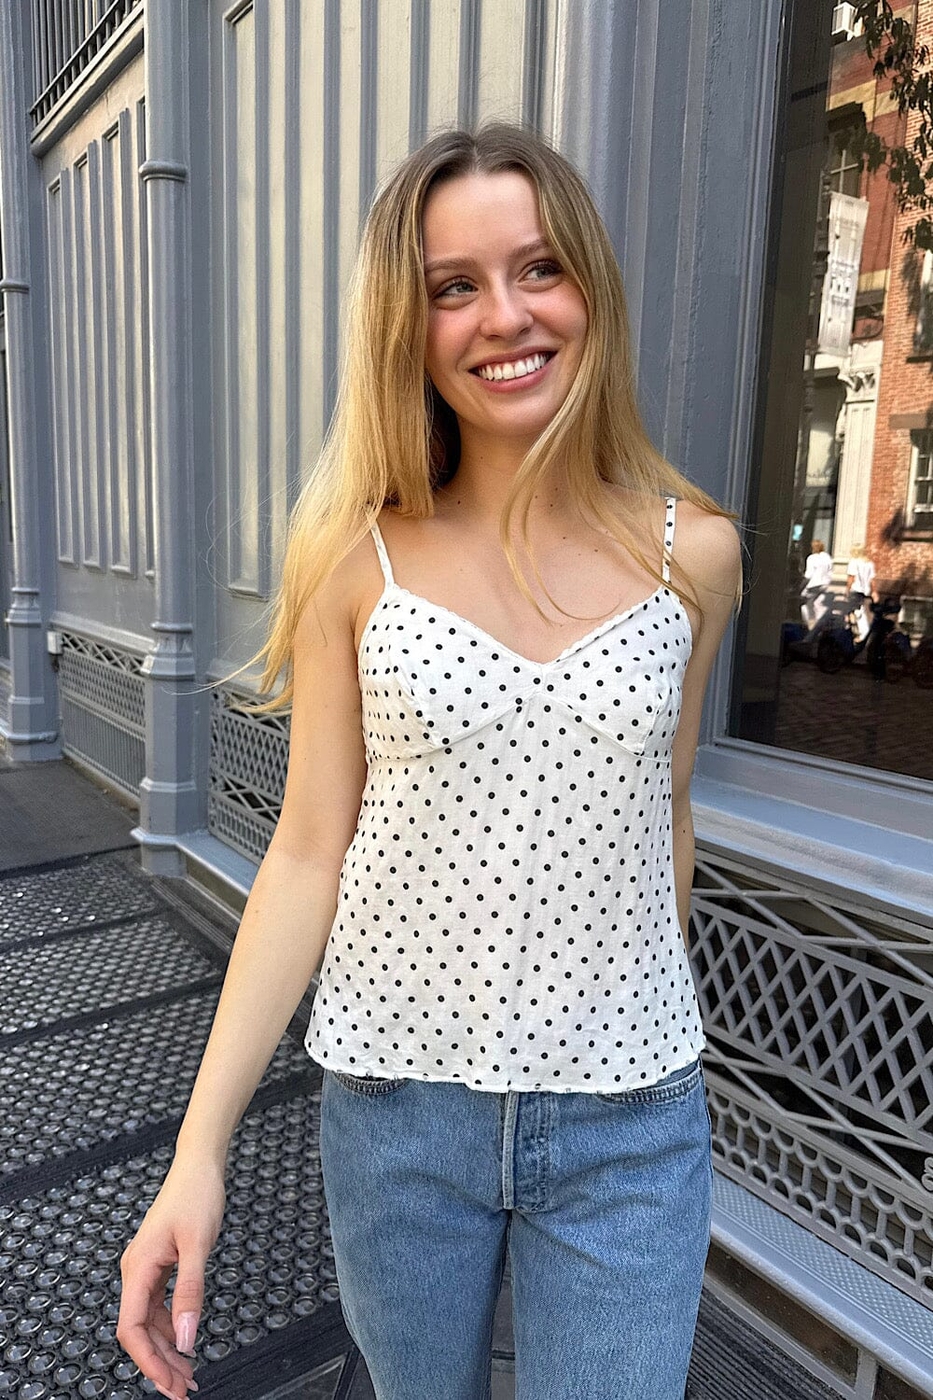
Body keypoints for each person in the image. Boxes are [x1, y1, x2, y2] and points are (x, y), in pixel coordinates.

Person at [117, 124, 741, 1400]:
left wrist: (621, 1014)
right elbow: (306, 853)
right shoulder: (358, 563)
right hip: (400, 1116)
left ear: (591, 289)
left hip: (630, 1125)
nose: (504, 315)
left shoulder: (699, 555)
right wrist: (198, 1149)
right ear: (410, 325)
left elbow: (663, 810)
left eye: (539, 267)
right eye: (455, 285)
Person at [800, 538, 834, 628]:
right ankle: (823, 622)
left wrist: (802, 584)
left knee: (809, 603)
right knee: (819, 603)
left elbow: (809, 574)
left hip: (814, 584)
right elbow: (830, 571)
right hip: (825, 583)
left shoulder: (812, 558)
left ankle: (812, 623)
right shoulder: (827, 557)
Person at [846, 544, 877, 640]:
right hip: (866, 591)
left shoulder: (853, 562)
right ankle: (863, 632)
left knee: (854, 612)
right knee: (861, 611)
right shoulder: (869, 563)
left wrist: (847, 589)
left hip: (855, 589)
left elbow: (851, 578)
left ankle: (860, 633)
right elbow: (872, 579)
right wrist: (874, 591)